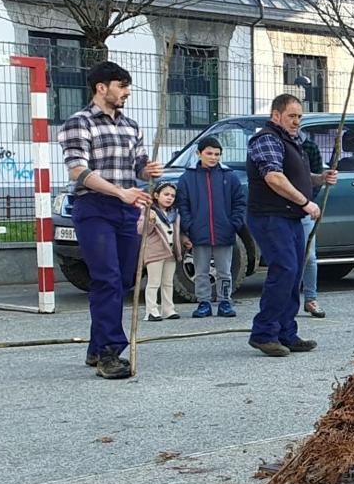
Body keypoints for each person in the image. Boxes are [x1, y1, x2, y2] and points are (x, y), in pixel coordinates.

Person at [57, 61, 163, 379]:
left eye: (127, 86)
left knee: (127, 277)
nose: (127, 92)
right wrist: (121, 192)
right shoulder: (79, 123)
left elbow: (139, 164)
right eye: (121, 85)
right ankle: (108, 353)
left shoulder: (131, 126)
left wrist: (149, 171)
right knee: (106, 279)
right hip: (94, 208)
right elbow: (78, 171)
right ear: (101, 88)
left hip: (126, 208)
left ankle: (96, 345)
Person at [245, 94, 337, 356]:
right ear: (276, 115)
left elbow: (294, 175)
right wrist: (306, 203)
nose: (297, 121)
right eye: (291, 116)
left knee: (294, 272)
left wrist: (320, 179)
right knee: (284, 270)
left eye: (299, 116)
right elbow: (274, 177)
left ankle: (287, 333)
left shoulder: (291, 141)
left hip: (289, 217)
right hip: (270, 216)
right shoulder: (267, 139)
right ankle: (264, 333)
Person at [176, 135, 246, 319]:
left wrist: (234, 224)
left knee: (224, 271)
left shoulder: (229, 177)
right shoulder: (187, 178)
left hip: (225, 233)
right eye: (209, 153)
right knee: (201, 272)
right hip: (199, 234)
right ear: (199, 153)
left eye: (217, 154)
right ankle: (203, 302)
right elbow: (182, 205)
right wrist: (189, 226)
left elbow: (239, 202)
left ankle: (224, 301)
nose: (213, 157)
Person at [139, 182, 181, 322]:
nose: (169, 198)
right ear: (156, 195)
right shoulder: (149, 211)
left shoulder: (174, 214)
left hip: (171, 252)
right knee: (153, 282)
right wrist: (149, 221)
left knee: (168, 282)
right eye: (166, 194)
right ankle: (151, 310)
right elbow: (141, 230)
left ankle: (168, 309)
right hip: (156, 252)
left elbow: (176, 232)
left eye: (172, 196)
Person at [300, 135, 325, 318]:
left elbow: (314, 178)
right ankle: (289, 301)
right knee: (290, 259)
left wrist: (308, 201)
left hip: (305, 210)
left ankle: (310, 298)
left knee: (310, 256)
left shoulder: (309, 147)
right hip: (284, 212)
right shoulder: (276, 144)